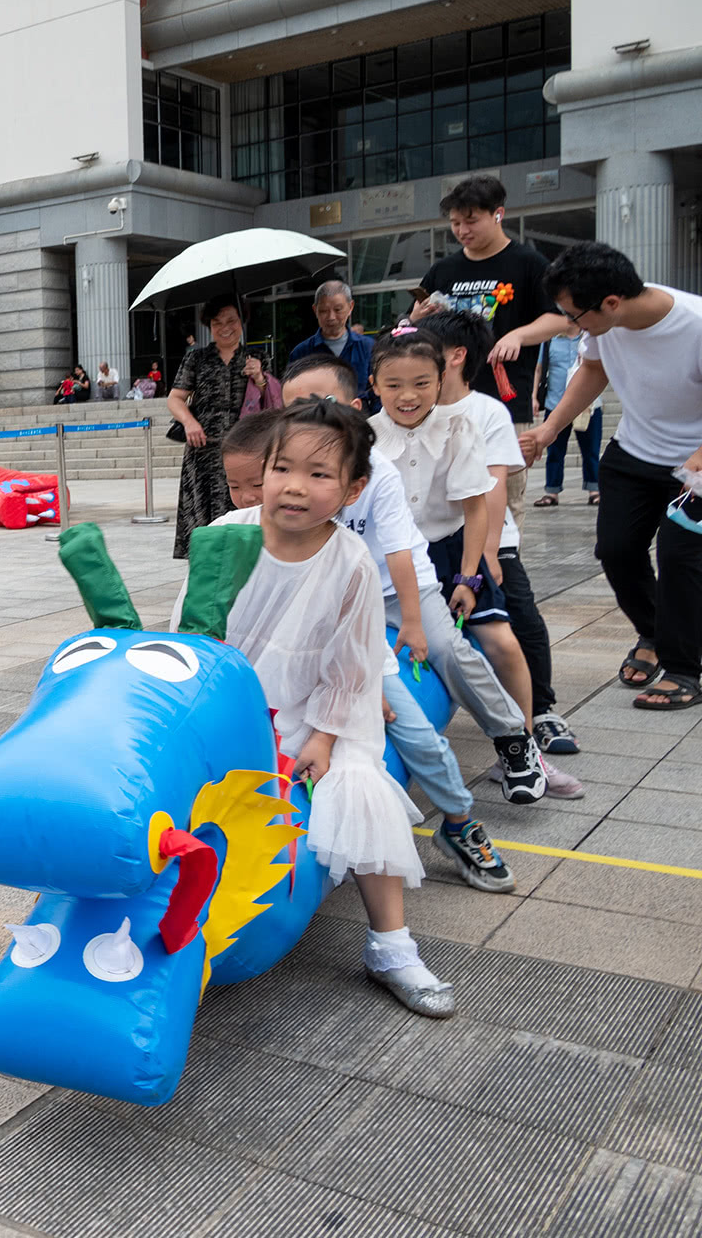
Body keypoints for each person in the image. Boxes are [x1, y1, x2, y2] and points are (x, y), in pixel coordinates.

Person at [187, 399, 453, 1016]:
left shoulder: (352, 562)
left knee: (362, 789)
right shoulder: (225, 536)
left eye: (320, 474)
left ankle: (391, 944)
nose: (295, 488)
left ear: (354, 488)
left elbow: (351, 665)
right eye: (283, 468)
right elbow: (193, 631)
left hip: (319, 709)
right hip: (233, 699)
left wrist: (325, 739)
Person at [277, 356, 520, 890]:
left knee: (416, 724)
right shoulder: (260, 513)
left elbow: (394, 561)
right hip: (300, 649)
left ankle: (460, 818)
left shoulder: (367, 487)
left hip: (368, 626)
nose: (290, 487)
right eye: (275, 474)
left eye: (324, 406)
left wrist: (373, 667)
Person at [367, 326, 550, 804]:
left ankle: (515, 740)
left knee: (450, 647)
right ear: (374, 385)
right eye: (394, 385)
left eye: (421, 383)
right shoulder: (362, 437)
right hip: (374, 566)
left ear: (442, 375)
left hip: (442, 554)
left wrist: (469, 577)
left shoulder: (459, 428)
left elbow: (475, 509)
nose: (408, 396)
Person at [521, 241, 702, 711]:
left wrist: (697, 462)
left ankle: (685, 668)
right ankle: (656, 632)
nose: (570, 326)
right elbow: (593, 370)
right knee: (616, 549)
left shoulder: (695, 324)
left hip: (696, 463)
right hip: (636, 450)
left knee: (680, 557)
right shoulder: (604, 324)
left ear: (611, 303)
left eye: (573, 316)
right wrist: (548, 429)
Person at [419, 309, 582, 765]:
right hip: (429, 544)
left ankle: (541, 715)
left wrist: (488, 551)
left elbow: (491, 486)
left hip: (488, 540)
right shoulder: (413, 409)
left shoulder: (486, 410)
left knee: (518, 626)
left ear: (454, 356)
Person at [418, 174, 575, 524]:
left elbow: (562, 320)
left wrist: (518, 335)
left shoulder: (529, 263)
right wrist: (415, 317)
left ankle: (501, 573)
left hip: (506, 403)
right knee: (446, 502)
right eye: (455, 223)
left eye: (471, 221)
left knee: (503, 502)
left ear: (498, 214)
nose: (462, 230)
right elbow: (415, 327)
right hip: (445, 404)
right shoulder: (443, 270)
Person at [166, 295, 261, 559]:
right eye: (217, 322)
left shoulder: (256, 357)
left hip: (245, 451)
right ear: (209, 325)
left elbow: (274, 402)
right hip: (203, 450)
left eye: (231, 320)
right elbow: (175, 398)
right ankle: (204, 573)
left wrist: (260, 377)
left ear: (242, 322)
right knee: (202, 518)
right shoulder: (197, 359)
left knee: (245, 513)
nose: (225, 327)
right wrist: (189, 422)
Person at [287, 279, 379, 414]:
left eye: (338, 309)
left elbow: (379, 392)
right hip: (318, 424)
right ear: (315, 310)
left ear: (350, 307)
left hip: (361, 422)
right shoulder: (302, 352)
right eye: (324, 311)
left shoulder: (368, 347)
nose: (331, 317)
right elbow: (294, 397)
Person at [533, 329, 600, 507]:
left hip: (588, 404)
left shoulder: (589, 336)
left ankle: (594, 490)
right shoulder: (549, 340)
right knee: (554, 450)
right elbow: (539, 368)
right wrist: (534, 396)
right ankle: (552, 492)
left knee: (590, 449)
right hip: (555, 403)